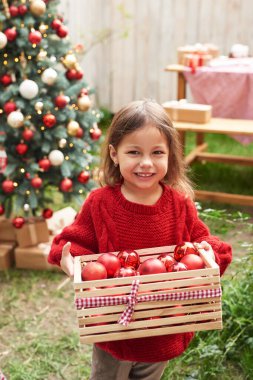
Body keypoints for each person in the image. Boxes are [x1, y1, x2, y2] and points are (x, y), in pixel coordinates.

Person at [48, 99, 232, 380]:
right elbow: (72, 244)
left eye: (157, 152)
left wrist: (210, 256)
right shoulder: (101, 204)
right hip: (115, 328)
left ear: (170, 155)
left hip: (163, 327)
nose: (146, 163)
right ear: (114, 153)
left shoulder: (179, 205)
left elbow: (206, 245)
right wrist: (70, 261)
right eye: (134, 152)